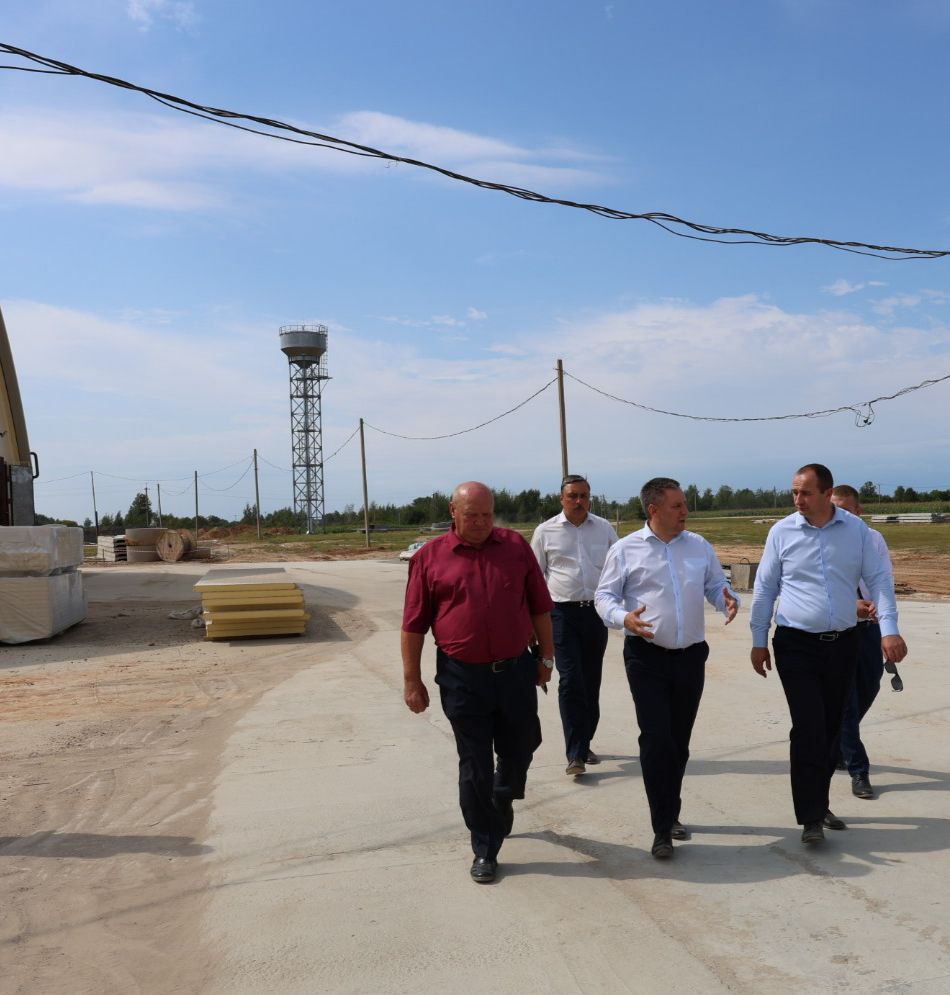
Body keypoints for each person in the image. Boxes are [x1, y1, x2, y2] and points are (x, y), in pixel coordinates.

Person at [401, 481, 555, 883]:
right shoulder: (429, 558)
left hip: (515, 671)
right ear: (453, 512)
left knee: (523, 743)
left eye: (487, 515)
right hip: (461, 677)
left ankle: (504, 794)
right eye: (472, 516)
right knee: (474, 763)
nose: (481, 523)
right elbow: (413, 625)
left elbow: (540, 606)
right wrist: (412, 680)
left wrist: (546, 657)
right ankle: (485, 847)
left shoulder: (515, 547)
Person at [749, 464, 908, 845]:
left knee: (832, 727)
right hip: (795, 644)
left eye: (805, 492)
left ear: (826, 492)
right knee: (808, 727)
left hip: (843, 643)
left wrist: (889, 629)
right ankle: (811, 818)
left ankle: (819, 803)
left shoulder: (857, 532)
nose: (798, 500)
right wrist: (758, 639)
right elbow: (765, 587)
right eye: (794, 492)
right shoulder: (782, 532)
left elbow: (880, 582)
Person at [595, 477, 738, 859]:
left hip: (691, 657)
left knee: (678, 742)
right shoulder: (626, 549)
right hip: (646, 657)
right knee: (656, 739)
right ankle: (662, 828)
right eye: (677, 506)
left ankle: (670, 809)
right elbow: (604, 596)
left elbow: (715, 586)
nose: (685, 512)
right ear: (653, 509)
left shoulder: (699, 546)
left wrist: (726, 599)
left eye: (685, 504)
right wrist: (624, 618)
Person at [531, 474, 619, 777]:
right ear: (561, 499)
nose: (579, 501)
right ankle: (575, 753)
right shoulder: (545, 531)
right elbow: (534, 578)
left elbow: (621, 568)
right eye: (573, 496)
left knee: (590, 681)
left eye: (584, 495)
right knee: (570, 681)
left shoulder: (604, 529)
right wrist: (532, 623)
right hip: (561, 615)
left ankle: (585, 742)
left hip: (595, 613)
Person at [830, 484, 895, 800]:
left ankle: (838, 743)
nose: (839, 514)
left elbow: (884, 581)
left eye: (845, 509)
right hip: (837, 629)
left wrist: (887, 625)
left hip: (869, 627)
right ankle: (859, 769)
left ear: (858, 511)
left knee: (869, 687)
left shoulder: (873, 539)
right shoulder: (823, 539)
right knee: (846, 703)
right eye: (834, 508)